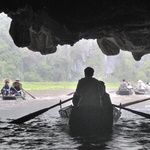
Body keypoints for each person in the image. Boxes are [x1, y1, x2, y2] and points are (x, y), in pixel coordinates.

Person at [70, 67, 113, 134]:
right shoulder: (96, 82)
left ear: (85, 73)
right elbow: (102, 94)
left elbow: (78, 92)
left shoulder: (81, 81)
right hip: (96, 104)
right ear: (92, 73)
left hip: (84, 104)